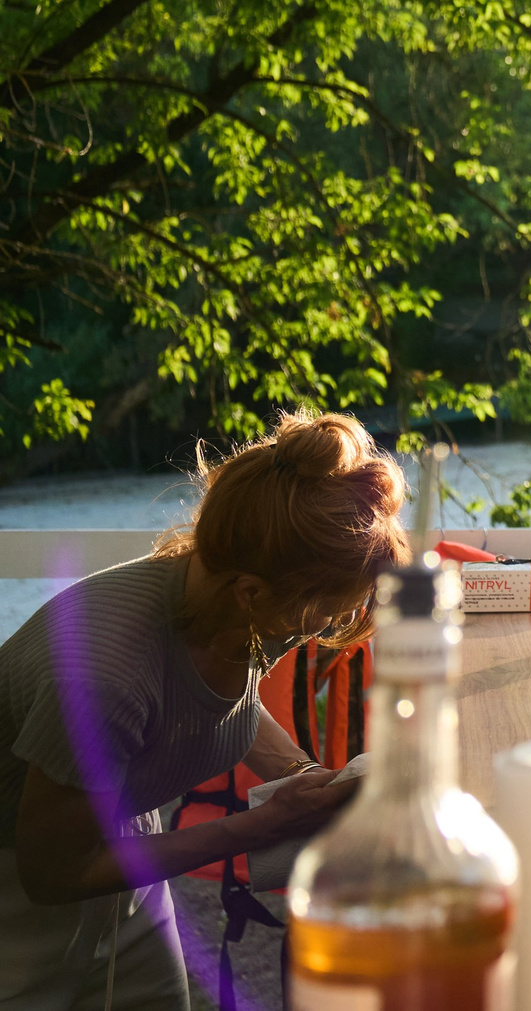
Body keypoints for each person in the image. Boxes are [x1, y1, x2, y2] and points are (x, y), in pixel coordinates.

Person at [1, 411, 403, 1011]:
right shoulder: (104, 675)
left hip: (122, 831)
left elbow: (212, 693)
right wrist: (259, 826)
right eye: (331, 611)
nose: (333, 627)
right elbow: (53, 871)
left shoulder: (222, 598)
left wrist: (297, 776)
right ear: (252, 593)